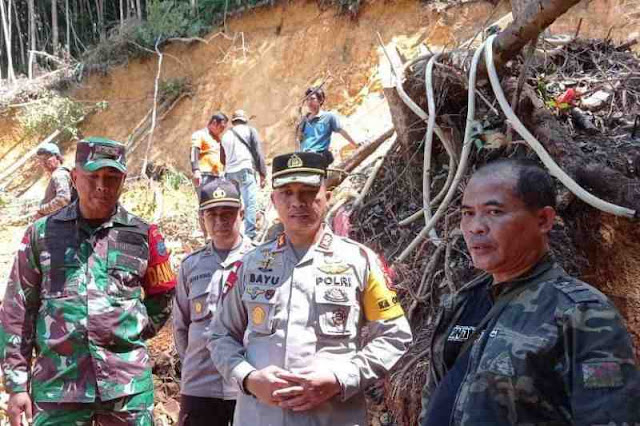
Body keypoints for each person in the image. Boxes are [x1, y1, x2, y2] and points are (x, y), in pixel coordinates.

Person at [419, 159, 640, 425]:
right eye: (468, 213)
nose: (475, 227)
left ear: (543, 219)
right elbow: (434, 400)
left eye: (494, 212)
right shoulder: (462, 304)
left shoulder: (582, 313)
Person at [209, 152, 412, 426]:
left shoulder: (360, 261)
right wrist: (249, 378)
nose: (297, 202)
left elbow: (394, 335)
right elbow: (220, 335)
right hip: (259, 418)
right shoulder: (250, 265)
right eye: (286, 192)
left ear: (327, 194)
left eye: (308, 191)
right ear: (273, 201)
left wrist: (340, 379)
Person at [0, 137, 177, 426]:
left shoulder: (144, 235)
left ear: (123, 179)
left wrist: (129, 330)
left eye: (111, 177)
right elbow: (17, 309)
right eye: (93, 175)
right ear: (75, 177)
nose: (101, 185)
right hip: (58, 386)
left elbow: (164, 294)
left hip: (126, 388)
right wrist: (17, 385)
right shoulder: (41, 234)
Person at [173, 178, 254, 426]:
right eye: (212, 214)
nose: (220, 222)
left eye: (228, 213)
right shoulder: (191, 266)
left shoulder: (261, 262)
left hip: (247, 385)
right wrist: (194, 362)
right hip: (199, 384)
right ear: (202, 219)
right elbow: (181, 327)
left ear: (241, 213)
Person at [221, 109, 268, 240]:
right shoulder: (250, 131)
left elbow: (222, 159)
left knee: (233, 205)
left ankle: (232, 233)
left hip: (230, 173)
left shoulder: (225, 135)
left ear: (233, 121)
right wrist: (263, 173)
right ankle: (250, 234)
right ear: (245, 120)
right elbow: (257, 153)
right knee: (250, 203)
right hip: (245, 170)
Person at [296, 87, 359, 165]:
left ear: (321, 100)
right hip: (304, 157)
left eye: (312, 99)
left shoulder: (329, 117)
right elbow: (300, 140)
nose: (309, 102)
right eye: (307, 99)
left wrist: (356, 145)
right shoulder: (303, 120)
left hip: (318, 156)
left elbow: (341, 131)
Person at [34, 142, 74, 219]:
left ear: (57, 157)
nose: (43, 163)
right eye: (41, 160)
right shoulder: (60, 173)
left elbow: (63, 199)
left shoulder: (59, 174)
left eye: (46, 158)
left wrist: (42, 210)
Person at [191, 113, 228, 187]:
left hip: (218, 176)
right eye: (221, 127)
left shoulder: (218, 139)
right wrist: (196, 170)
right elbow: (194, 152)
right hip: (205, 175)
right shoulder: (200, 135)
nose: (222, 130)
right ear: (214, 123)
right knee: (205, 198)